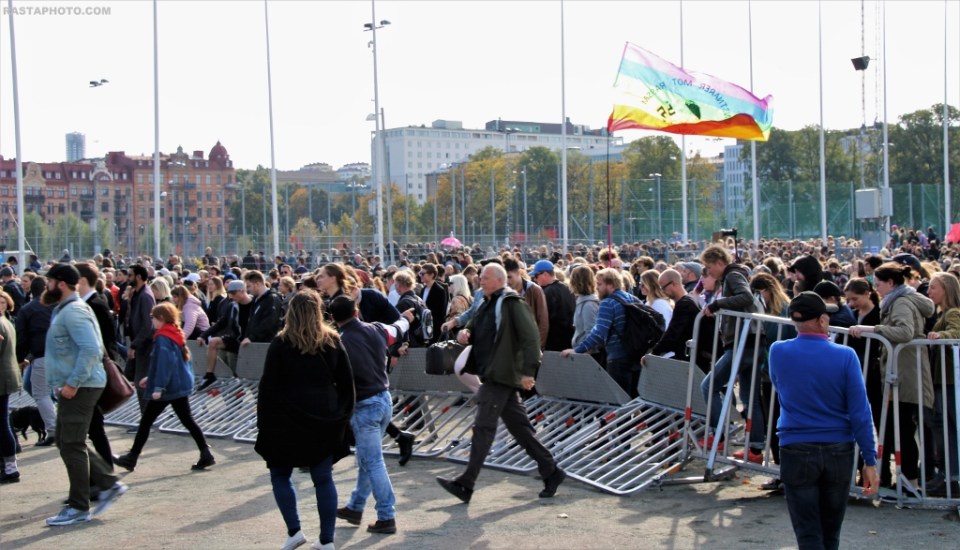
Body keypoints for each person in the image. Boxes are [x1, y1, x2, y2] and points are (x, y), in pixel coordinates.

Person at [437, 264, 565, 503]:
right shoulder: (486, 302)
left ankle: (466, 482)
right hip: (493, 372)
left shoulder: (511, 303)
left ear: (498, 280)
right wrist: (466, 332)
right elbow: (478, 326)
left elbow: (530, 338)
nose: (480, 281)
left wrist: (528, 372)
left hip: (501, 374)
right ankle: (551, 470)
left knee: (484, 426)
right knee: (520, 429)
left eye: (485, 278)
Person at [769, 291, 879, 549]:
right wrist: (870, 460)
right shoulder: (845, 356)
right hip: (838, 448)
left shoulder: (778, 351)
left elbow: (779, 386)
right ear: (821, 320)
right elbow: (860, 411)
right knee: (830, 533)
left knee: (808, 534)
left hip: (796, 446)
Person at [256, 290, 355, 550]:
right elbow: (347, 384)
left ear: (290, 312)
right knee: (323, 477)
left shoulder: (280, 343)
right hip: (324, 416)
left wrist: (264, 424)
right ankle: (327, 540)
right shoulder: (332, 340)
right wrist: (343, 416)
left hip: (287, 417)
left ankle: (294, 530)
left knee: (279, 474)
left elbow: (268, 387)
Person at [43, 263, 127, 526]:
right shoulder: (66, 310)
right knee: (68, 441)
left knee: (71, 442)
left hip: (81, 386)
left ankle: (80, 506)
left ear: (61, 283)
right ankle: (107, 484)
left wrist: (72, 383)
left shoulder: (74, 311)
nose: (46, 286)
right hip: (78, 385)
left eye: (49, 281)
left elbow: (91, 350)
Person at [330, 295, 411, 536]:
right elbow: (397, 329)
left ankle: (387, 516)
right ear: (356, 311)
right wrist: (406, 318)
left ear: (333, 318)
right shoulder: (376, 329)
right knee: (368, 458)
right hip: (384, 399)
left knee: (372, 460)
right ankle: (355, 507)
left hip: (364, 405)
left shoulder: (338, 342)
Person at [849, 263, 935, 490]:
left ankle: (911, 483)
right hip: (904, 370)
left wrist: (873, 329)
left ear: (891, 283)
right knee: (903, 429)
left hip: (905, 372)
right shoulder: (899, 300)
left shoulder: (902, 302)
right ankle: (909, 482)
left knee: (904, 430)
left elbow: (905, 332)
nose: (876, 287)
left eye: (878, 283)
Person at [115, 303, 215, 472]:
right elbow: (173, 362)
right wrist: (152, 378)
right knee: (187, 420)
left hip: (167, 387)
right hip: (178, 384)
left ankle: (132, 457)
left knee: (146, 422)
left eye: (153, 318)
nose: (152, 321)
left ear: (160, 318)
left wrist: (158, 386)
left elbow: (164, 363)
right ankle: (206, 453)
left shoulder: (162, 336)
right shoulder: (175, 332)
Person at [699, 244, 765, 458]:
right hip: (751, 341)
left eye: (710, 267)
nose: (709, 272)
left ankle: (720, 432)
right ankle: (756, 447)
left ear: (720, 262)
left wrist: (718, 304)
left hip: (742, 341)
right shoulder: (736, 274)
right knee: (749, 397)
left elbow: (745, 297)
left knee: (709, 386)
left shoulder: (733, 275)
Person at [561, 268, 641, 397]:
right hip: (634, 354)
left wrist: (578, 350)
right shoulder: (631, 298)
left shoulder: (607, 303)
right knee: (633, 399)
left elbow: (598, 332)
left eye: (599, 284)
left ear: (611, 284)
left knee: (618, 399)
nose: (596, 287)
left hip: (617, 357)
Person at [923, 271, 960, 496]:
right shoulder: (944, 313)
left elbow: (956, 332)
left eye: (933, 288)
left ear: (946, 289)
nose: (929, 292)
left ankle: (951, 476)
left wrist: (942, 334)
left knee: (949, 428)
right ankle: (948, 474)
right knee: (943, 428)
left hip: (948, 381)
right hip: (942, 380)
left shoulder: (953, 312)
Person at [14, 276, 56, 447]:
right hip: (62, 354)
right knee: (61, 391)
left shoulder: (27, 309)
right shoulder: (57, 305)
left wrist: (19, 359)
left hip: (41, 355)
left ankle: (54, 430)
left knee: (41, 393)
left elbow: (22, 337)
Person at [648, 268, 701, 363]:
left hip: (691, 358)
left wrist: (654, 353)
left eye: (663, 287)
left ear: (674, 284)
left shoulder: (684, 304)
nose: (662, 291)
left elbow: (672, 334)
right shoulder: (691, 300)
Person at [126, 264, 156, 411]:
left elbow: (147, 325)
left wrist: (134, 345)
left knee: (141, 383)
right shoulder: (138, 294)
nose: (128, 278)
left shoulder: (145, 296)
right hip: (140, 345)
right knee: (136, 381)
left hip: (145, 346)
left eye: (130, 275)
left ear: (138, 276)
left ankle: (147, 418)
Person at [530, 260, 575, 352]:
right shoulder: (566, 287)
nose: (535, 279)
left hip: (552, 342)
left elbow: (542, 319)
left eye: (536, 276)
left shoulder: (546, 292)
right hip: (569, 340)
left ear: (545, 274)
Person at [0, 289, 21, 483]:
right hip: (6, 377)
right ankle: (8, 464)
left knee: (2, 424)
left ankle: (10, 466)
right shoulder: (7, 321)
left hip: (2, 378)